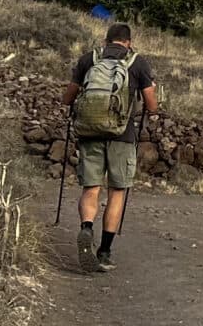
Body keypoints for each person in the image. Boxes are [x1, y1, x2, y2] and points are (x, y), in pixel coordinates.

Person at [62, 21, 158, 271]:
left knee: (91, 188)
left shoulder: (88, 60)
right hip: (122, 137)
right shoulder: (137, 62)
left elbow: (68, 98)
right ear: (128, 42)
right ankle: (104, 252)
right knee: (117, 192)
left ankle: (86, 228)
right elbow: (152, 105)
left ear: (105, 41)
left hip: (90, 134)